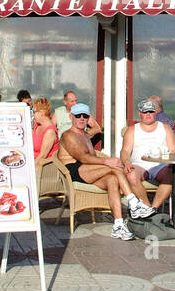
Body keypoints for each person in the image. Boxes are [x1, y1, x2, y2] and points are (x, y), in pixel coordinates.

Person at [60, 103, 151, 240]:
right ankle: (133, 202)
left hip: (86, 169)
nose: (81, 119)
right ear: (71, 117)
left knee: (112, 179)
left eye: (85, 116)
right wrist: (106, 162)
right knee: (113, 167)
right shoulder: (68, 135)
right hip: (72, 170)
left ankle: (118, 225)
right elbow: (83, 157)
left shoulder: (84, 134)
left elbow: (91, 157)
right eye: (78, 115)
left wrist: (108, 162)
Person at [120, 98, 175, 212]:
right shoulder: (132, 130)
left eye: (150, 112)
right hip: (139, 165)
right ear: (140, 113)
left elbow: (174, 150)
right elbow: (125, 151)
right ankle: (147, 207)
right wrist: (126, 162)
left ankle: (154, 208)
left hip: (160, 165)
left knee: (172, 175)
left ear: (156, 112)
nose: (148, 115)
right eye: (145, 112)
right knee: (131, 175)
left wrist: (172, 162)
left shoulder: (165, 128)